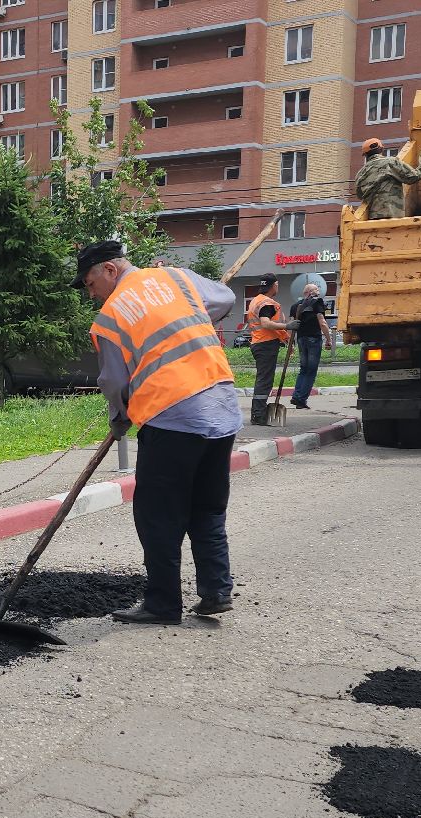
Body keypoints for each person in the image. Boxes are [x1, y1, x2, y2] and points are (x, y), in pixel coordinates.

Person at [74, 239, 242, 623]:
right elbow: (225, 299)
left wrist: (118, 419)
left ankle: (163, 604)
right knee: (207, 507)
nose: (91, 294)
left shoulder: (111, 316)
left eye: (89, 283)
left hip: (173, 417)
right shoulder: (175, 278)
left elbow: (115, 382)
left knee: (157, 514)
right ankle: (216, 590)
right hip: (221, 409)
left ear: (111, 270)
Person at [244, 275, 291, 425]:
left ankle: (258, 412)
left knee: (263, 379)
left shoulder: (256, 300)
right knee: (264, 381)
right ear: (275, 285)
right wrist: (288, 326)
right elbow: (266, 323)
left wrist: (286, 338)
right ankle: (258, 415)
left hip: (259, 342)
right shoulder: (267, 303)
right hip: (266, 344)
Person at [285, 281, 335, 410]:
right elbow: (322, 322)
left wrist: (290, 344)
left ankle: (296, 396)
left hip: (301, 339)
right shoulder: (317, 302)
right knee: (311, 370)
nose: (319, 292)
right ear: (310, 292)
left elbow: (291, 326)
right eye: (317, 290)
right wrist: (329, 339)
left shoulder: (295, 306)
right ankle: (301, 399)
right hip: (313, 338)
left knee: (304, 369)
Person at [353, 138, 421, 221]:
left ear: (365, 155)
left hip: (373, 218)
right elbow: (414, 177)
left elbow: (359, 194)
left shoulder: (360, 174)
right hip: (392, 215)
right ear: (382, 149)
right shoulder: (390, 162)